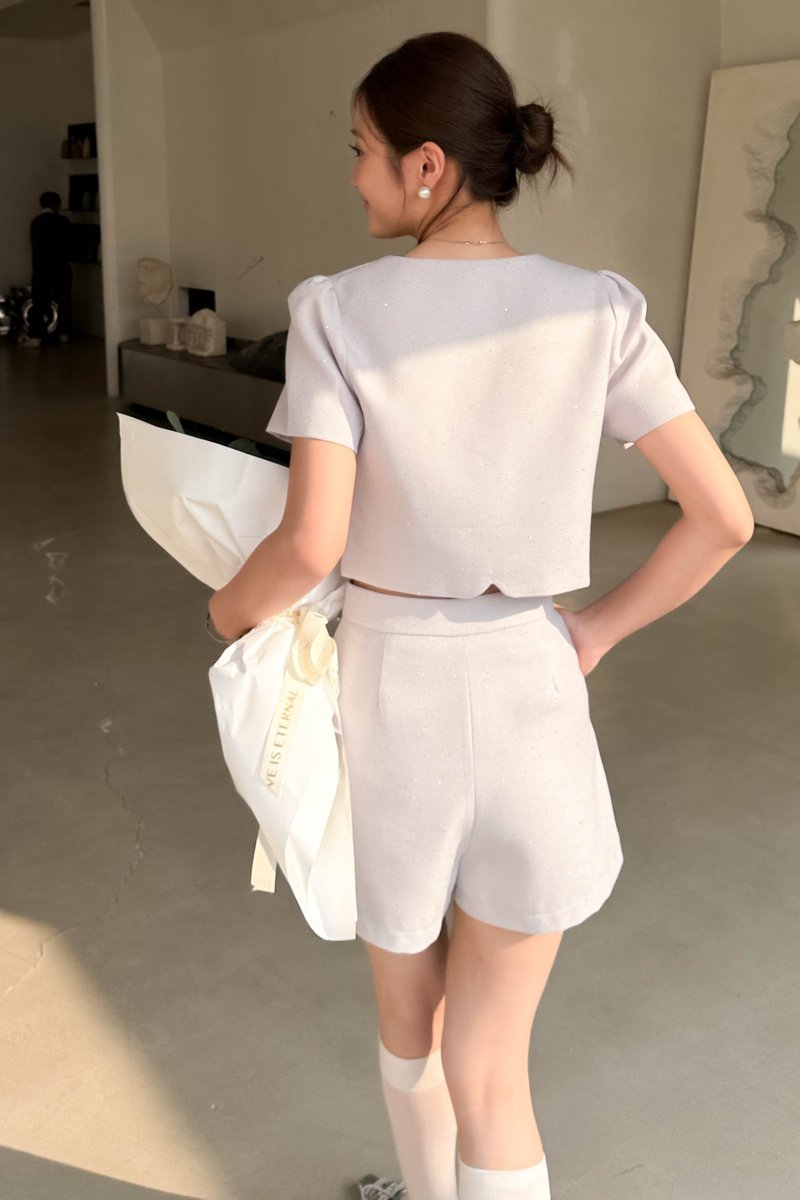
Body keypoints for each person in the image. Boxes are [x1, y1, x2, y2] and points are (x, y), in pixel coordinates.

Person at [206, 30, 755, 1200]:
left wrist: (226, 611)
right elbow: (721, 517)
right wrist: (592, 633)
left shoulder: (337, 312)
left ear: (425, 165)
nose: (352, 174)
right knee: (492, 1067)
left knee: (410, 1023)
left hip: (392, 698)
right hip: (530, 687)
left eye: (359, 149)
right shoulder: (595, 310)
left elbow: (309, 542)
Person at [18, 191, 72, 348]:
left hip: (42, 267)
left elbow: (35, 245)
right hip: (62, 266)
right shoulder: (63, 221)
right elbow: (69, 244)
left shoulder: (36, 222)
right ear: (57, 205)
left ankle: (36, 336)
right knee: (64, 299)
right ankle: (64, 333)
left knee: (39, 301)